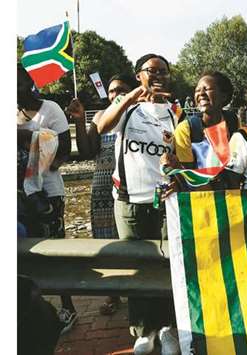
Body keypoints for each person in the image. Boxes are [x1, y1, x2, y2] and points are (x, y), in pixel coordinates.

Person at [97, 53, 180, 355]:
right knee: (137, 267)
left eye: (163, 71)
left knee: (169, 266)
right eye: (150, 71)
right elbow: (102, 127)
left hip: (167, 202)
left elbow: (186, 155)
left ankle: (169, 328)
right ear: (139, 74)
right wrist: (132, 95)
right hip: (130, 202)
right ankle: (144, 330)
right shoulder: (127, 109)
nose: (158, 76)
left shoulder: (176, 111)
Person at [65, 73, 135, 316]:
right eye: (112, 90)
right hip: (104, 186)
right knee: (106, 241)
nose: (116, 94)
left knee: (134, 239)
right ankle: (113, 294)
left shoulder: (139, 115)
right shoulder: (99, 117)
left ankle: (139, 293)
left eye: (122, 90)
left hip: (130, 187)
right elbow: (86, 151)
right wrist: (77, 120)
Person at [17, 63, 77, 334]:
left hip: (48, 192)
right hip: (17, 195)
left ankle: (68, 307)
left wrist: (29, 140)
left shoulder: (50, 109)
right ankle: (31, 309)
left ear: (29, 83)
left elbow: (63, 151)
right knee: (25, 253)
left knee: (54, 249)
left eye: (17, 82)